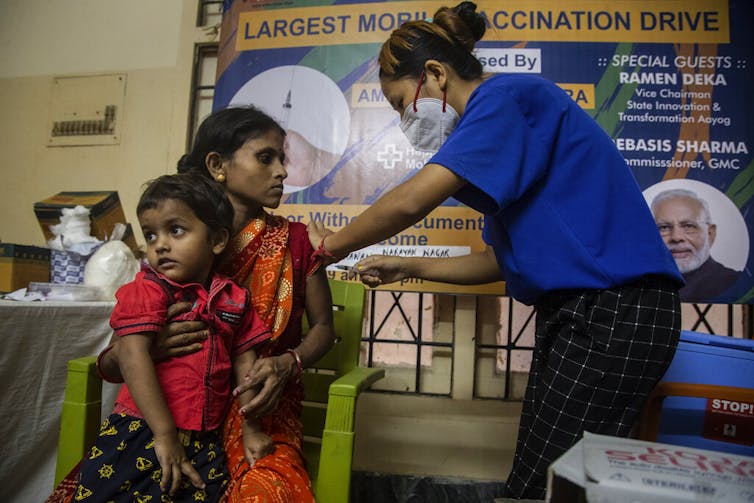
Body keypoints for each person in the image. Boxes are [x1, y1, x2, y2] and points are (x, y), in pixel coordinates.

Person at [305, 2, 684, 499]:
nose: (404, 120)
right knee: (547, 475)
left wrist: (327, 248)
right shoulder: (499, 132)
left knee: (544, 484)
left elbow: (414, 199)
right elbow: (500, 262)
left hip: (617, 309)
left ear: (435, 74)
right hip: (587, 312)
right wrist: (406, 265)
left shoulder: (507, 98)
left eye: (401, 104)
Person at [48, 106, 334, 503]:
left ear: (217, 241)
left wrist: (290, 363)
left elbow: (323, 328)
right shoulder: (169, 254)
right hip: (164, 407)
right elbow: (117, 359)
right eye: (266, 157)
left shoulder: (297, 242)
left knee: (262, 491)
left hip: (259, 402)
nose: (282, 171)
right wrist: (153, 347)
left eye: (282, 158)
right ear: (217, 164)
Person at [74, 174, 273, 502]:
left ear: (218, 240)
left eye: (175, 230)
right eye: (151, 235)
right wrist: (164, 434)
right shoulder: (149, 290)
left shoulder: (234, 299)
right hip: (141, 431)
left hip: (205, 439)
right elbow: (132, 354)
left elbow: (245, 364)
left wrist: (251, 430)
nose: (160, 245)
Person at [651, 188, 740, 302]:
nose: (677, 237)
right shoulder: (637, 285)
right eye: (664, 228)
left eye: (689, 226)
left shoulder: (735, 283)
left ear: (710, 234)